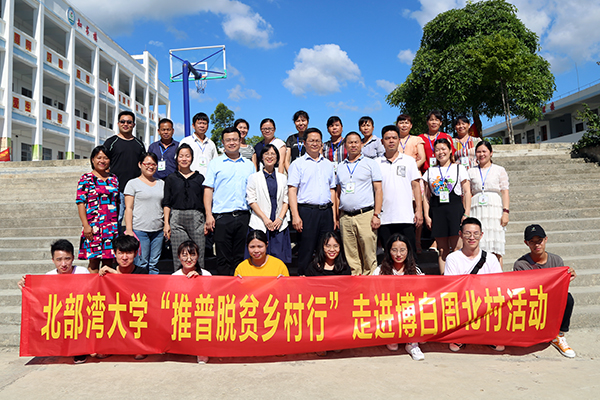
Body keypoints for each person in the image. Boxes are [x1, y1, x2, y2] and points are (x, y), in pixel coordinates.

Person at [18, 239, 89, 364]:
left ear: (73, 258)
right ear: (53, 260)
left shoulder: (82, 272)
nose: (63, 264)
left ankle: (80, 349)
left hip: (79, 311)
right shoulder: (49, 276)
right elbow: (40, 299)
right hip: (60, 313)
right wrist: (26, 288)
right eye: (59, 260)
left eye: (67, 259)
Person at [513, 224, 577, 358]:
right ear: (526, 243)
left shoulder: (556, 260)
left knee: (568, 298)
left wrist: (566, 279)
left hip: (551, 298)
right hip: (532, 302)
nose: (537, 245)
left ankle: (559, 335)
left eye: (540, 240)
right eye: (532, 242)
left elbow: (560, 289)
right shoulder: (521, 264)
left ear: (546, 239)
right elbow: (522, 291)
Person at [444, 217, 504, 352]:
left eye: (476, 234)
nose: (472, 237)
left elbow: (498, 285)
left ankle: (491, 334)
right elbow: (451, 287)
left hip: (485, 301)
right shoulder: (452, 258)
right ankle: (459, 335)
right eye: (467, 233)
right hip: (463, 301)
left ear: (481, 235)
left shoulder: (491, 258)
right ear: (460, 235)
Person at [204, 127, 255, 275]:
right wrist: (208, 214)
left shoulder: (249, 165)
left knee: (241, 258)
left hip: (243, 216)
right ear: (222, 142)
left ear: (240, 140)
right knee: (223, 258)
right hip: (222, 217)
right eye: (228, 140)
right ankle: (224, 288)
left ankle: (241, 287)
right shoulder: (215, 163)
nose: (231, 143)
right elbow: (208, 190)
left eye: (234, 139)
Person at [288, 127, 337, 275]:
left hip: (326, 211)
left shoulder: (328, 164)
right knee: (306, 248)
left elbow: (332, 190)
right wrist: (295, 215)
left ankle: (325, 279)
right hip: (307, 212)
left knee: (326, 248)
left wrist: (334, 216)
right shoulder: (297, 164)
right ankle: (303, 278)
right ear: (304, 143)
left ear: (321, 143)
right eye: (311, 141)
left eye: (317, 141)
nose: (315, 144)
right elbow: (292, 190)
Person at [372, 234, 425, 361]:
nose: (398, 254)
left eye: (402, 250)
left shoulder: (416, 271)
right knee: (393, 346)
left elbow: (424, 293)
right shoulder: (379, 271)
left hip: (409, 311)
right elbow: (374, 294)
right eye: (394, 250)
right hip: (389, 311)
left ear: (408, 251)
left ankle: (412, 343)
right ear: (388, 251)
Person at [336, 132, 382, 275]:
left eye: (356, 142)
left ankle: (371, 282)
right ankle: (355, 282)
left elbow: (378, 189)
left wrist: (376, 214)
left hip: (365, 214)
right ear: (345, 145)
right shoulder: (340, 166)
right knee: (351, 255)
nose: (353, 145)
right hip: (345, 216)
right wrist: (337, 216)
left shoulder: (370, 163)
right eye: (350, 142)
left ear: (361, 144)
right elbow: (338, 192)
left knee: (369, 253)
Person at [422, 138, 471, 274]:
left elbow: (467, 192)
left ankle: (458, 277)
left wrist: (466, 213)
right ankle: (445, 278)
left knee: (457, 248)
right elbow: (426, 196)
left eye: (443, 149)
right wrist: (426, 215)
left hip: (455, 209)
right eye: (437, 150)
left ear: (450, 151)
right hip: (437, 211)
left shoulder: (459, 168)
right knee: (442, 249)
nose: (441, 152)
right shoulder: (430, 171)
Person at [99, 235, 147, 360]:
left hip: (133, 312)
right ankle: (108, 345)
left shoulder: (142, 272)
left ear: (135, 253)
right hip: (114, 312)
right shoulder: (106, 273)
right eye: (120, 253)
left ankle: (138, 345)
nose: (124, 257)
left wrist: (115, 274)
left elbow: (133, 290)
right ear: (114, 253)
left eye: (129, 253)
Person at [377, 126, 423, 256]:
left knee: (409, 254)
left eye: (394, 138)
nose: (391, 141)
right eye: (387, 138)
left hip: (406, 216)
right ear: (382, 141)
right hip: (384, 218)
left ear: (399, 140)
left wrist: (419, 210)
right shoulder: (376, 163)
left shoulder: (409, 161)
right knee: (389, 255)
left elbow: (416, 187)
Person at [162, 144, 206, 272]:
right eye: (181, 156)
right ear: (177, 158)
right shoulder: (171, 178)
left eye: (187, 156)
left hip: (196, 218)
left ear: (192, 158)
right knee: (179, 253)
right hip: (176, 218)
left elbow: (205, 200)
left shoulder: (200, 178)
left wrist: (206, 219)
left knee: (198, 253)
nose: (184, 159)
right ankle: (179, 280)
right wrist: (166, 223)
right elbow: (167, 202)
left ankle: (199, 278)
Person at [246, 143, 292, 264]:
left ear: (277, 158)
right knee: (259, 258)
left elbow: (286, 200)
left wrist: (280, 218)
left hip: (278, 224)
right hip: (260, 222)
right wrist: (265, 219)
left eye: (273, 154)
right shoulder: (254, 177)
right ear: (262, 157)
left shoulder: (282, 178)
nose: (270, 156)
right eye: (266, 154)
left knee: (278, 260)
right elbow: (251, 200)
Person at [76, 145, 119, 273]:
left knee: (108, 262)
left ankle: (105, 286)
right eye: (99, 157)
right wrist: (86, 225)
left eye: (105, 158)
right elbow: (80, 203)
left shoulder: (114, 179)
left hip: (110, 227)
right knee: (94, 262)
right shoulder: (86, 179)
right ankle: (94, 285)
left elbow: (117, 202)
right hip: (93, 226)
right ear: (93, 160)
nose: (102, 161)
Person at [102, 111, 146, 230]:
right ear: (118, 123)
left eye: (129, 122)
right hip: (117, 189)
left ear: (134, 125)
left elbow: (144, 165)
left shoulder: (139, 144)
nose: (125, 124)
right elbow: (103, 162)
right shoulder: (111, 142)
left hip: (136, 190)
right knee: (116, 220)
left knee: (136, 221)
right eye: (122, 121)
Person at [469, 141, 510, 265]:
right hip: (476, 208)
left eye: (484, 151)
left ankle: (497, 274)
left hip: (494, 209)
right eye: (478, 152)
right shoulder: (470, 171)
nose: (481, 154)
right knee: (478, 245)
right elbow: (467, 193)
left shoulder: (499, 170)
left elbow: (505, 191)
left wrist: (506, 212)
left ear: (491, 153)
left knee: (495, 246)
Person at [124, 152, 165, 274]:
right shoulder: (132, 184)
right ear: (140, 164)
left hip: (158, 230)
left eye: (153, 164)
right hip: (140, 229)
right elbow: (128, 208)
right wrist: (129, 229)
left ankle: (153, 286)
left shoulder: (162, 183)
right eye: (147, 164)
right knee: (142, 263)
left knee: (154, 264)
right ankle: (140, 286)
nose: (150, 167)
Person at [396, 114, 426, 253]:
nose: (404, 125)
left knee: (416, 209)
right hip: (398, 178)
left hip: (414, 177)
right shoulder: (394, 139)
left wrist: (410, 170)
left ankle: (417, 241)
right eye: (401, 122)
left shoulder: (417, 139)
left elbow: (422, 158)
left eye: (406, 122)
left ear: (411, 125)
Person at [178, 112, 218, 176]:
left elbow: (215, 163)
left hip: (208, 180)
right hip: (191, 179)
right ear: (193, 125)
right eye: (199, 123)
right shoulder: (186, 141)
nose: (202, 126)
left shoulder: (211, 144)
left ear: (208, 126)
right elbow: (179, 163)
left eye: (204, 123)